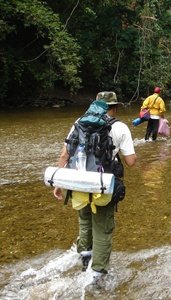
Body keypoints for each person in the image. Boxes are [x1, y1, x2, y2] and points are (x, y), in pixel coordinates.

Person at [53, 91, 136, 280]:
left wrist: (58, 182)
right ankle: (97, 274)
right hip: (102, 185)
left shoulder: (78, 123)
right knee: (103, 227)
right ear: (114, 107)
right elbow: (131, 162)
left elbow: (65, 155)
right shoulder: (120, 127)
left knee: (84, 219)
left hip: (78, 182)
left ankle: (84, 257)